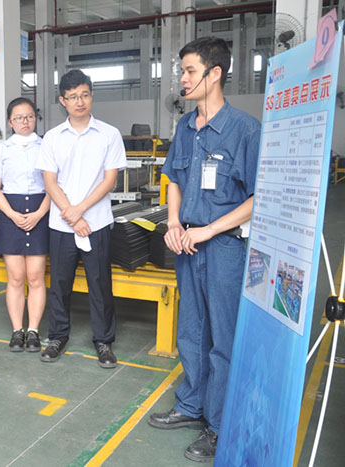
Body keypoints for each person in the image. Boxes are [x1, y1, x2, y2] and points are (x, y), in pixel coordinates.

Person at [146, 37, 260, 463]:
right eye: (182, 71)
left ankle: (218, 423)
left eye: (190, 71)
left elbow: (258, 198)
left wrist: (209, 230)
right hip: (186, 243)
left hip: (224, 246)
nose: (183, 78)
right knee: (191, 330)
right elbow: (174, 179)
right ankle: (191, 404)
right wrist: (174, 223)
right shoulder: (185, 128)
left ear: (214, 74)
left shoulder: (245, 130)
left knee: (222, 336)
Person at [36, 69, 127, 367]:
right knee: (60, 283)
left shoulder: (109, 135)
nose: (80, 101)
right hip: (62, 225)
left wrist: (80, 211)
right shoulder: (52, 138)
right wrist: (73, 216)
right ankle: (57, 337)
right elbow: (50, 183)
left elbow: (109, 181)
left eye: (84, 95)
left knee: (99, 283)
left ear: (91, 96)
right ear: (62, 101)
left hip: (96, 222)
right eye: (73, 97)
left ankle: (103, 341)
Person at [0, 97, 50, 352]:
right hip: (9, 213)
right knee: (15, 277)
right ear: (10, 122)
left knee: (35, 276)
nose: (25, 122)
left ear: (35, 118)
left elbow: (53, 186)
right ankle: (17, 331)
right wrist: (12, 214)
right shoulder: (2, 150)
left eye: (30, 116)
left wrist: (39, 213)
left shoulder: (46, 146)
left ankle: (33, 330)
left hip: (40, 211)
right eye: (19, 118)